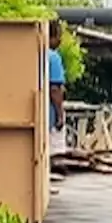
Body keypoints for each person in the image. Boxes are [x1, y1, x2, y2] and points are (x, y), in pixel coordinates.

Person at [47, 20, 67, 192]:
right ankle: (46, 185)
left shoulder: (34, 53)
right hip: (47, 112)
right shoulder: (53, 57)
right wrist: (61, 114)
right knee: (47, 149)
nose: (60, 40)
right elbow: (55, 88)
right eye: (58, 36)